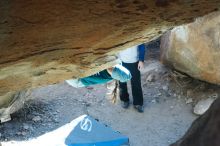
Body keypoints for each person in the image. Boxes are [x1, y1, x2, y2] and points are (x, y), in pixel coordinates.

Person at [118, 44, 145, 113]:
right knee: (122, 82)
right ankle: (124, 100)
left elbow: (142, 45)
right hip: (121, 61)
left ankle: (138, 103)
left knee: (136, 83)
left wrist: (141, 60)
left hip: (134, 61)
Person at [66, 64, 131, 88]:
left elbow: (84, 75)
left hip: (78, 81)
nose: (110, 68)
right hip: (88, 74)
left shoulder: (101, 78)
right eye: (113, 67)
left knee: (67, 70)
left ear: (112, 74)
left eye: (112, 70)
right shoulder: (117, 63)